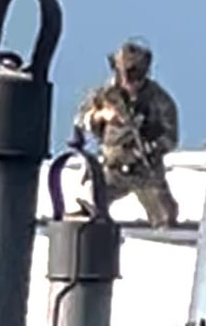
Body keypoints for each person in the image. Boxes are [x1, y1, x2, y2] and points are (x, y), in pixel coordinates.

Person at [74, 39, 180, 229]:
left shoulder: (159, 99)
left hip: (145, 171)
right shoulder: (104, 94)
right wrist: (101, 116)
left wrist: (150, 148)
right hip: (112, 169)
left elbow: (171, 138)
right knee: (87, 207)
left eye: (135, 74)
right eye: (125, 73)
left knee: (166, 219)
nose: (129, 81)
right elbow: (80, 120)